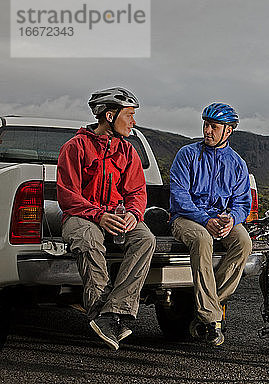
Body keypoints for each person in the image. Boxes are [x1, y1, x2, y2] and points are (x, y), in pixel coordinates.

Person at [57, 87, 156, 351]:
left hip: (115, 215)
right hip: (81, 215)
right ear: (110, 115)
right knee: (87, 238)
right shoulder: (75, 147)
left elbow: (136, 191)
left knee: (145, 238)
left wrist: (134, 215)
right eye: (130, 115)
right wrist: (100, 216)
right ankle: (101, 313)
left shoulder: (128, 150)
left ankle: (115, 311)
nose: (133, 121)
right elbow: (68, 197)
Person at [169, 102, 252, 346]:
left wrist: (231, 220)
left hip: (220, 220)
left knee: (244, 242)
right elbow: (179, 196)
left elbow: (242, 204)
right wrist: (206, 220)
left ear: (228, 131)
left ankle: (208, 304)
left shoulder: (237, 164)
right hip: (185, 219)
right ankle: (210, 317)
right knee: (203, 239)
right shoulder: (187, 155)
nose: (207, 131)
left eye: (213, 126)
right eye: (206, 125)